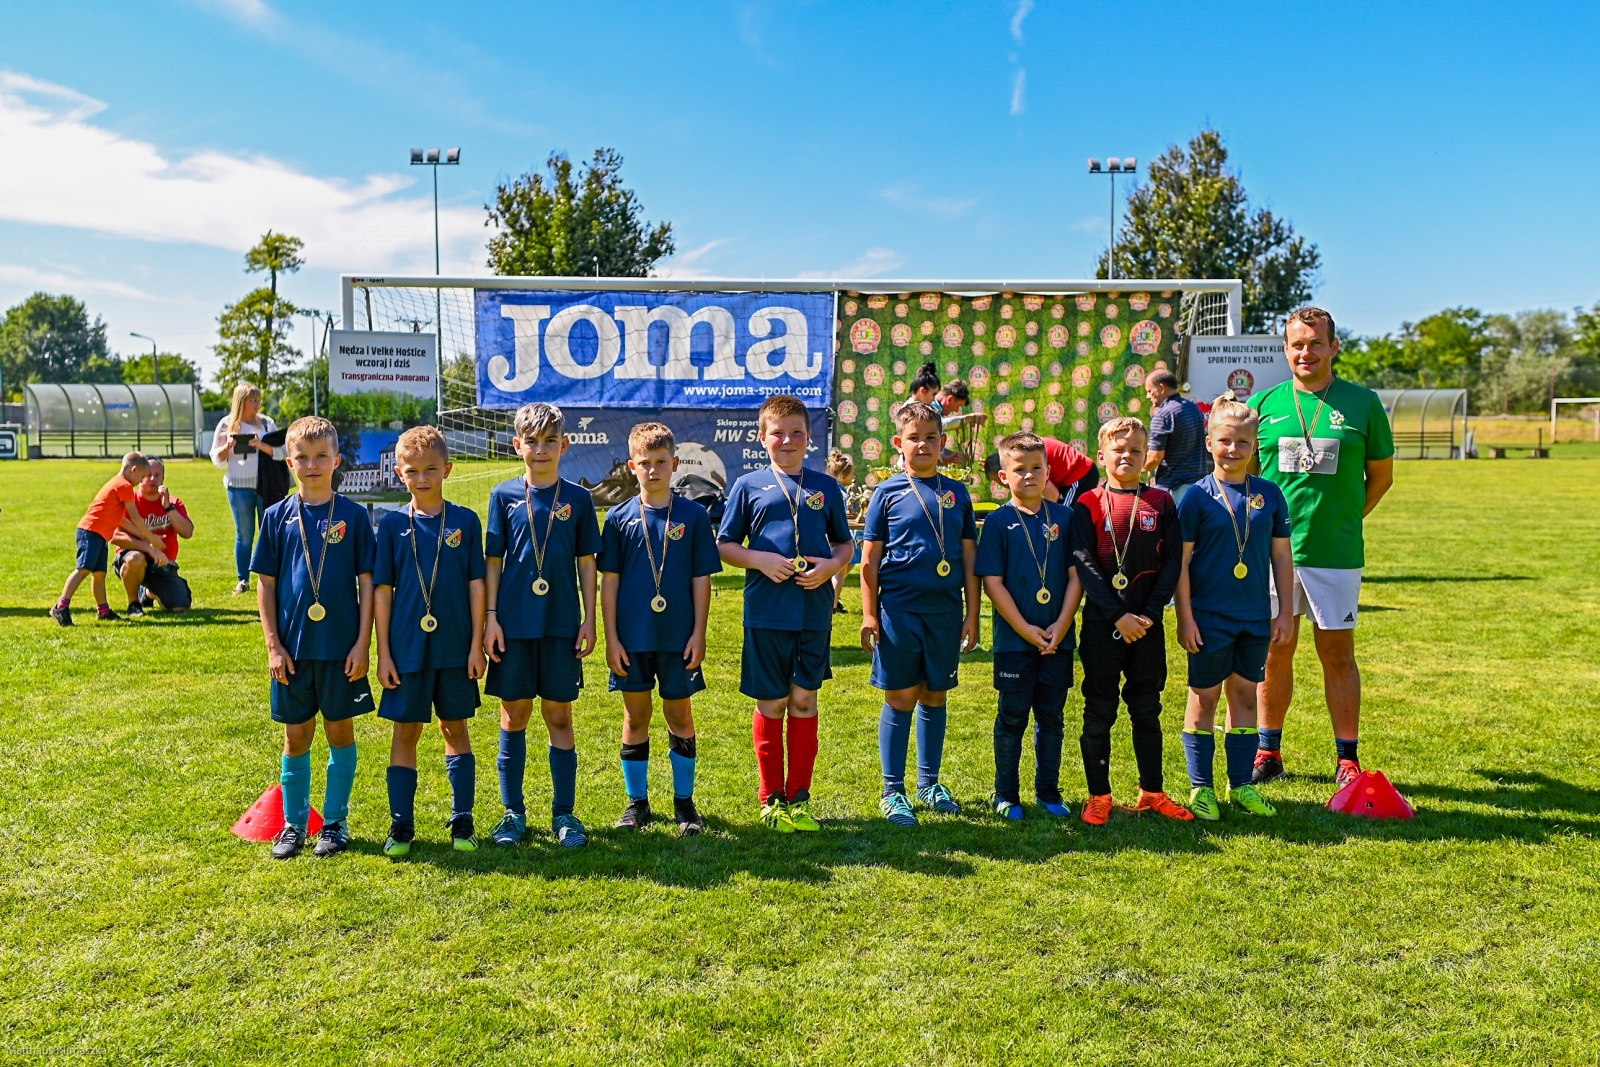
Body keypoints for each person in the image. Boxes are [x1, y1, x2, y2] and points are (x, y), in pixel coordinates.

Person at [1249, 307, 1395, 788]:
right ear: (1285, 349)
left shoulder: (1363, 403)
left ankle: (1347, 758)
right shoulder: (1265, 404)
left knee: (1337, 652)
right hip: (1274, 553)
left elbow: (1382, 477)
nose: (1305, 352)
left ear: (1334, 347)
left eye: (1315, 343)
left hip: (1335, 552)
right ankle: (1268, 751)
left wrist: (1346, 520)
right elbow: (1246, 476)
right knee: (1275, 650)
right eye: (1296, 344)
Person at [717, 395, 854, 834]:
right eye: (777, 432)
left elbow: (844, 545)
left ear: (810, 438)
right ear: (762, 437)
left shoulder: (825, 487)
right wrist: (760, 561)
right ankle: (770, 798)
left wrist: (831, 570)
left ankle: (800, 798)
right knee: (772, 702)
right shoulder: (747, 486)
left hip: (813, 614)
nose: (787, 440)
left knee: (804, 700)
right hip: (766, 614)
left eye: (797, 432)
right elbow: (725, 545)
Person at [251, 416, 376, 859]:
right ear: (289, 462)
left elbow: (368, 584)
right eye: (302, 457)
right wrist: (273, 644)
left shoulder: (355, 516)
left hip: (342, 652)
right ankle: (294, 825)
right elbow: (265, 583)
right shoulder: (276, 516)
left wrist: (363, 644)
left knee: (340, 731)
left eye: (321, 456)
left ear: (337, 461)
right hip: (292, 652)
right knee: (296, 738)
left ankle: (337, 823)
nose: (312, 465)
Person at [483, 402, 602, 849]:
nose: (540, 449)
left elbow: (586, 562)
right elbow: (493, 561)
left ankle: (564, 813)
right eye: (531, 442)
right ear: (517, 446)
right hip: (512, 626)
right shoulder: (503, 496)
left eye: (550, 441)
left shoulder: (578, 499)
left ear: (564, 445)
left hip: (560, 626)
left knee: (558, 715)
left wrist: (590, 617)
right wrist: (491, 619)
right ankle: (512, 813)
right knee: (513, 715)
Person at [859, 401, 980, 827]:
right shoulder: (887, 492)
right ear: (899, 443)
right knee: (901, 695)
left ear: (943, 443)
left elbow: (969, 559)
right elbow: (869, 561)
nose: (923, 445)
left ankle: (929, 783)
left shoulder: (957, 492)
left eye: (931, 437)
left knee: (935, 694)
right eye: (914, 438)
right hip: (899, 611)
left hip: (946, 612)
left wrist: (972, 613)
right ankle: (893, 790)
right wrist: (869, 615)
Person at [1174, 395, 1295, 820]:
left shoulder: (1270, 494)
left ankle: (1241, 785)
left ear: (1255, 445)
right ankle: (1200, 788)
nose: (1233, 450)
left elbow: (1281, 556)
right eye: (1225, 441)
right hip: (1207, 618)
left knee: (1244, 695)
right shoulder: (1196, 497)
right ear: (1209, 443)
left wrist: (1283, 611)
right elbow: (1181, 562)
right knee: (1204, 698)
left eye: (1243, 443)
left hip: (1253, 617)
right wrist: (1184, 617)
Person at [600, 422, 722, 836]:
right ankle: (637, 804)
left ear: (674, 464)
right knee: (635, 716)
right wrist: (612, 637)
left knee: (679, 713)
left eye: (660, 463)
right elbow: (610, 582)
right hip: (631, 639)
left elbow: (701, 579)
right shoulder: (618, 519)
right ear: (632, 466)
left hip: (677, 637)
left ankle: (685, 804)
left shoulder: (693, 516)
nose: (652, 470)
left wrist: (699, 633)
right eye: (644, 463)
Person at [1069, 418, 1191, 825]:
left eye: (1136, 451)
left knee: (1146, 708)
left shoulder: (1161, 502)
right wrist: (1118, 614)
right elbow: (1084, 564)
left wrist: (1150, 614)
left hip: (1147, 626)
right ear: (1101, 455)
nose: (1126, 456)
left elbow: (1173, 562)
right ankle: (1098, 795)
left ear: (1147, 458)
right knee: (1099, 709)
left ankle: (1152, 791)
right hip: (1105, 626)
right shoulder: (1087, 503)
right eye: (1118, 450)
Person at [373, 427, 487, 858]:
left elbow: (478, 586)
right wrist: (383, 652)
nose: (423, 479)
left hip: (456, 646)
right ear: (400, 474)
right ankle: (401, 824)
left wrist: (476, 644)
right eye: (413, 471)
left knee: (455, 727)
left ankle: (462, 819)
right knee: (406, 731)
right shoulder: (391, 526)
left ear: (448, 470)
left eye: (431, 470)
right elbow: (381, 592)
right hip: (406, 650)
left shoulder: (465, 522)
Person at [975, 431, 1082, 820]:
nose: (1029, 476)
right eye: (1019, 469)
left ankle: (1049, 792)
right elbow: (993, 583)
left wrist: (1061, 624)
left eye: (1037, 468)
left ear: (1049, 471)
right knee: (1013, 716)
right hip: (1014, 643)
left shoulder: (1067, 518)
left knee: (1052, 717)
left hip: (1059, 638)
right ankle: (1006, 794)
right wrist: (1024, 629)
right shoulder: (998, 522)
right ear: (1004, 477)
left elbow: (1076, 576)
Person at [51, 452, 161, 625]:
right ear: (133, 470)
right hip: (90, 532)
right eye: (142, 476)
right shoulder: (124, 486)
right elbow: (135, 517)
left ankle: (103, 610)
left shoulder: (117, 483)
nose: (141, 481)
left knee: (99, 574)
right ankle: (60, 607)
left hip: (99, 535)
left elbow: (122, 520)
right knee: (83, 569)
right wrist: (151, 538)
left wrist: (140, 534)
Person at [211, 383, 284, 595]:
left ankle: (271, 577)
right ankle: (242, 579)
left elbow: (282, 451)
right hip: (238, 487)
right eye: (253, 400)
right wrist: (228, 446)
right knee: (244, 534)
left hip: (266, 486)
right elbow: (217, 459)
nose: (257, 404)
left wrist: (261, 445)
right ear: (241, 402)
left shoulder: (267, 423)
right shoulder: (226, 424)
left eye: (259, 400)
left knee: (269, 533)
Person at [109, 457, 195, 615]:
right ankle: (133, 603)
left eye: (157, 475)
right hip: (132, 558)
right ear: (141, 476)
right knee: (136, 559)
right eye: (148, 474)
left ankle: (148, 592)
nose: (152, 479)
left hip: (162, 564)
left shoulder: (174, 503)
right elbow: (113, 535)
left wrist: (168, 507)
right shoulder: (129, 500)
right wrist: (147, 547)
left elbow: (187, 532)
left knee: (179, 607)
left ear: (163, 478)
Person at [1143, 369, 1208, 504]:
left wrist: (1139, 468)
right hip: (1200, 486)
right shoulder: (1194, 409)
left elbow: (1155, 457)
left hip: (1175, 487)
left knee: (1174, 525)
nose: (1148, 396)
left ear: (1161, 388)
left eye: (1149, 391)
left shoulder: (1163, 414)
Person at [984, 436, 1098, 507]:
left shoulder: (1031, 462)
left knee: (1064, 516)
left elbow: (1053, 497)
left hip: (1081, 475)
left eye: (999, 481)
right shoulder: (1020, 452)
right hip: (1070, 477)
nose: (1005, 485)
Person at [825, 448, 860, 614]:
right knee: (840, 570)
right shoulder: (837, 491)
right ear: (841, 476)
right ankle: (831, 604)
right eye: (851, 474)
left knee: (849, 565)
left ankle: (832, 596)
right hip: (838, 537)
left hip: (843, 534)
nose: (853, 478)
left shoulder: (839, 490)